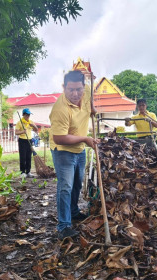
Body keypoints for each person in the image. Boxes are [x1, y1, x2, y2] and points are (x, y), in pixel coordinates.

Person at [49, 70, 98, 240]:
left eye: (79, 89)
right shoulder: (60, 109)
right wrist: (85, 138)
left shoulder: (87, 92)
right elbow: (59, 138)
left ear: (84, 87)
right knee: (65, 187)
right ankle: (64, 226)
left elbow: (90, 105)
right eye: (70, 90)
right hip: (63, 151)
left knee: (77, 183)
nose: (75, 94)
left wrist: (92, 109)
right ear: (64, 87)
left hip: (79, 150)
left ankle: (74, 212)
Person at [15, 108, 38, 178]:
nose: (28, 116)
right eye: (27, 115)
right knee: (23, 157)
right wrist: (22, 132)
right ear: (23, 115)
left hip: (29, 140)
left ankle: (28, 171)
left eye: (29, 115)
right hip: (22, 141)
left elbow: (36, 129)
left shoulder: (30, 122)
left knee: (28, 156)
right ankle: (22, 172)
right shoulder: (19, 122)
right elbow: (16, 132)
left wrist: (33, 125)